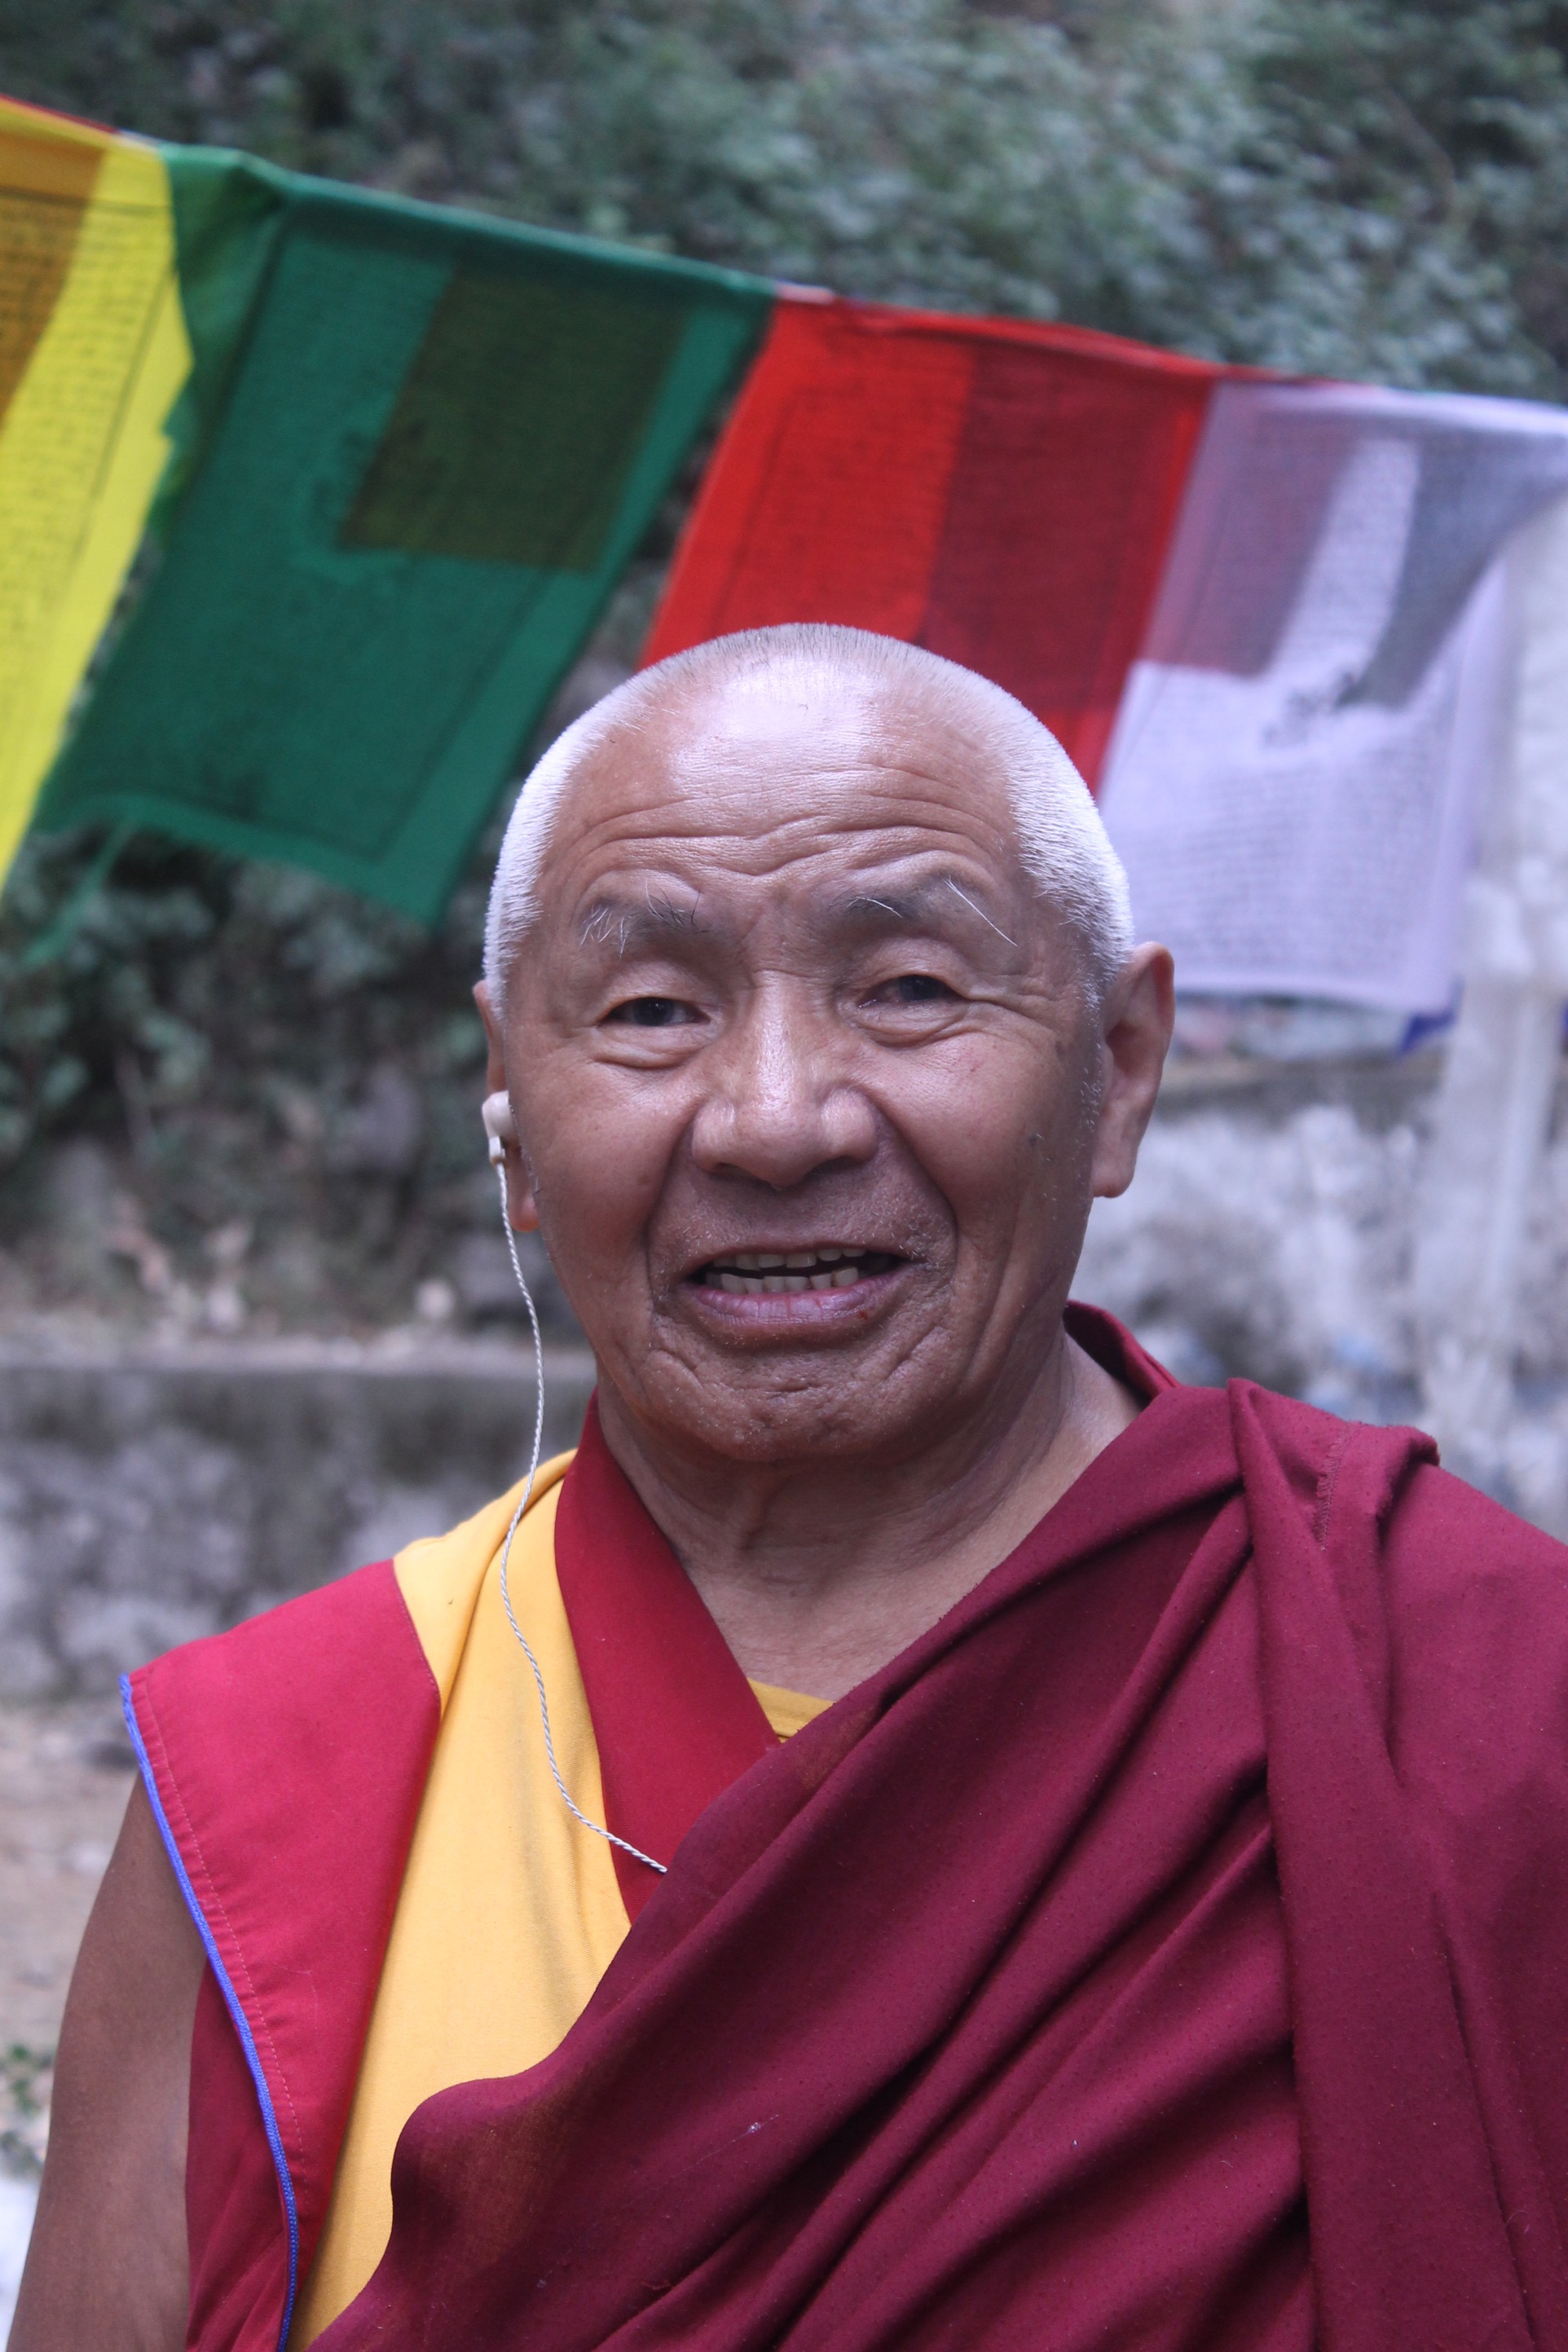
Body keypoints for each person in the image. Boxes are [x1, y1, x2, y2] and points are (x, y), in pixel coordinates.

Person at [13, 624, 1568, 2352]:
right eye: (652, 1012)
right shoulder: (281, 1789)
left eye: (908, 989)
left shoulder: (1470, 1695)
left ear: (1120, 1067)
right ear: (510, 1108)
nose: (773, 1121)